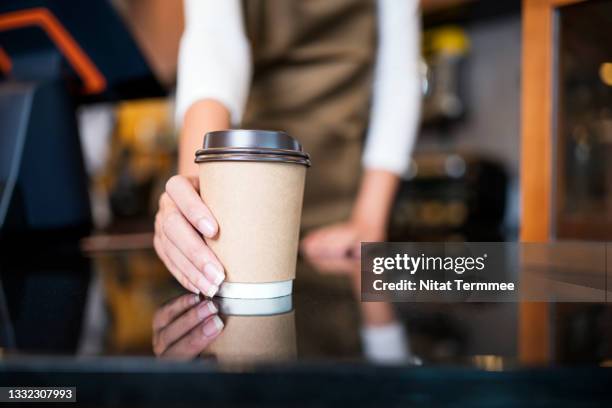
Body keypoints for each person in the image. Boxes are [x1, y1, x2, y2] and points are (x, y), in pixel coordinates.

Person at [154, 0, 421, 298]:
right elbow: (214, 44)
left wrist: (368, 221)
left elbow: (398, 76)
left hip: (338, 216)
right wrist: (195, 199)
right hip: (240, 209)